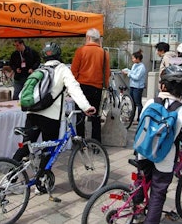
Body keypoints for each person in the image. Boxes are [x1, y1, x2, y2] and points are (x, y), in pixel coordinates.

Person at [134, 65, 182, 224]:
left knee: (142, 180)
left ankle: (134, 206)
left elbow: (142, 122)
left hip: (143, 150)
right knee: (158, 193)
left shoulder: (150, 102)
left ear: (163, 86)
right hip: (164, 156)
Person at [12, 42, 96, 185]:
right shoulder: (62, 69)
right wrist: (86, 107)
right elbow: (74, 88)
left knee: (27, 146)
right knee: (49, 149)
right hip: (50, 118)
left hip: (32, 113)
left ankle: (9, 176)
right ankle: (41, 182)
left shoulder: (40, 68)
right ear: (59, 55)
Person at [71, 28, 110, 143]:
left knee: (80, 116)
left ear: (88, 38)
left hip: (81, 87)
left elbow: (73, 71)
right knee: (96, 117)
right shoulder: (104, 53)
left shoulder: (81, 51)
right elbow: (106, 73)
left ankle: (80, 142)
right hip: (97, 88)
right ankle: (96, 143)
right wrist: (105, 87)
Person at [122, 50, 146, 123]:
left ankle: (139, 118)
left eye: (133, 58)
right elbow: (132, 72)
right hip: (132, 86)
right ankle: (131, 118)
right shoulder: (135, 65)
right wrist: (126, 70)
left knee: (138, 103)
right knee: (132, 103)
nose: (132, 60)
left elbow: (137, 77)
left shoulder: (142, 67)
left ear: (138, 58)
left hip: (138, 87)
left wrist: (128, 74)